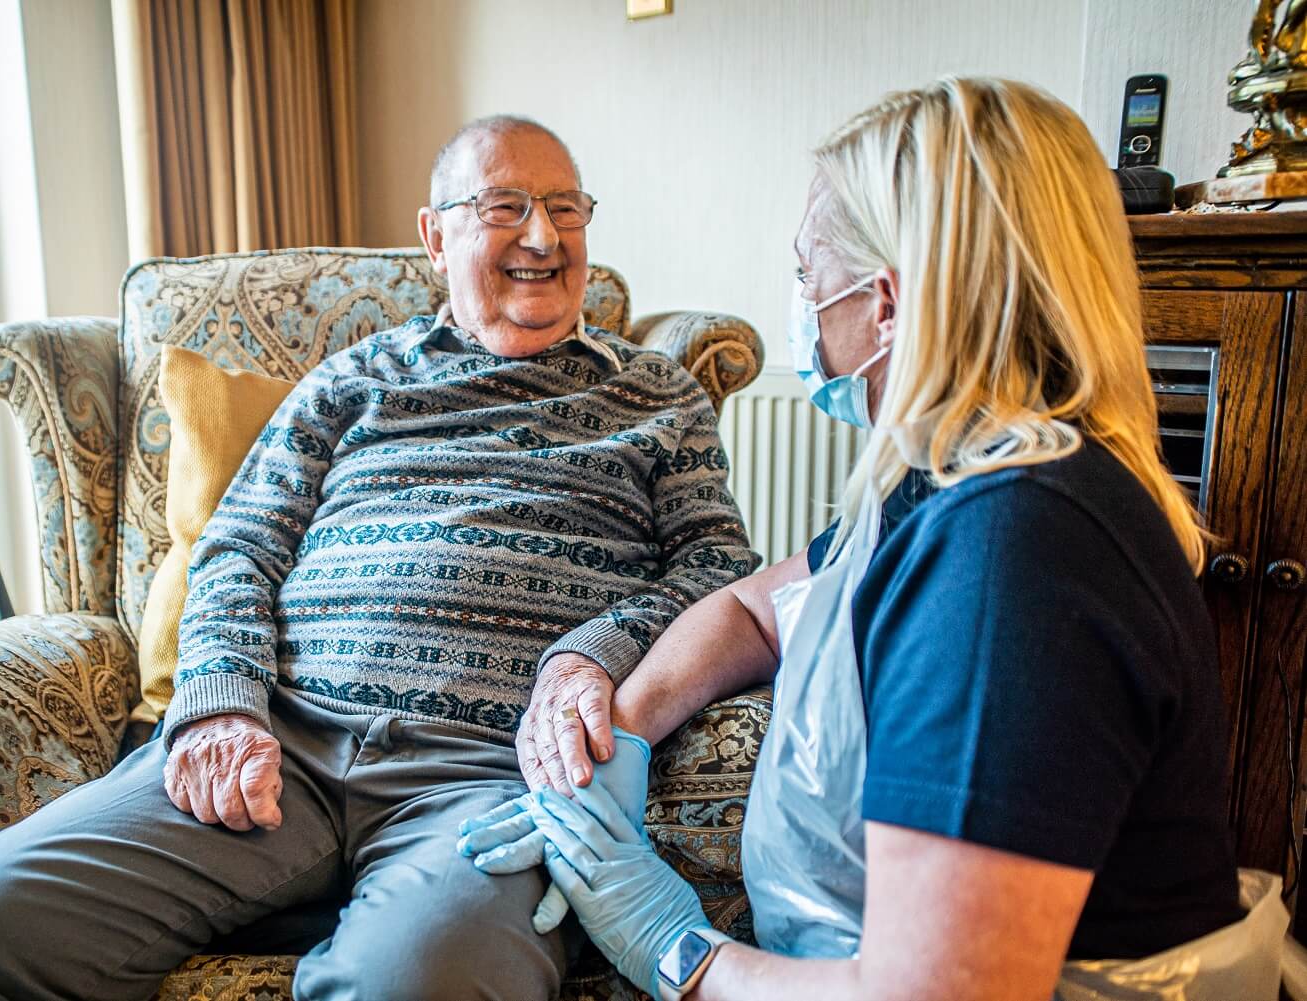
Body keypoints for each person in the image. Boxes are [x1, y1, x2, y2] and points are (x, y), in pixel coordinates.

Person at [0, 115, 759, 1001]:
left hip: (483, 770)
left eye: (566, 209)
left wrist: (595, 650)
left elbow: (719, 566)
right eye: (505, 207)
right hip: (278, 745)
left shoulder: (655, 393)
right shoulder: (354, 380)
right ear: (434, 236)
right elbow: (240, 546)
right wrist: (221, 703)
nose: (543, 236)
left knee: (423, 982)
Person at [464, 78, 1284, 1001]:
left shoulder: (1016, 553)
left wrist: (677, 950)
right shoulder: (945, 480)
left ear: (885, 304)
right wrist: (618, 736)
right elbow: (756, 609)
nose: (803, 302)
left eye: (807, 272)